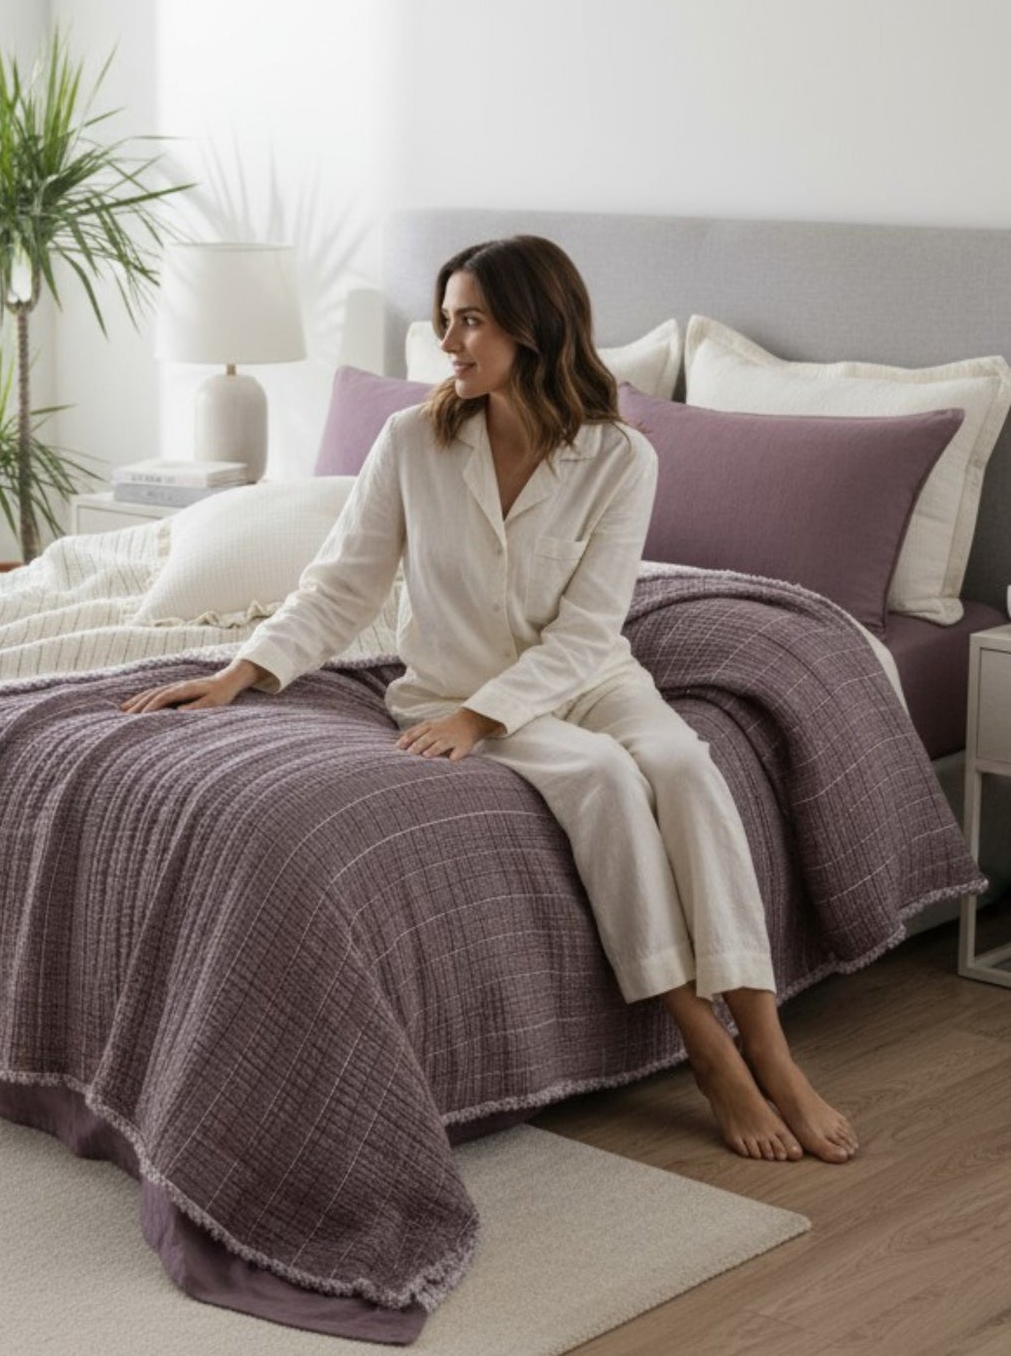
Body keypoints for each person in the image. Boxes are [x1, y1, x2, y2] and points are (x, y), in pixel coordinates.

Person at [121, 235, 858, 1165]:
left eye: (468, 320)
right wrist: (244, 672)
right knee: (598, 780)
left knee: (679, 760)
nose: (447, 342)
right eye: (444, 321)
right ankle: (704, 1045)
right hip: (449, 688)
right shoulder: (412, 441)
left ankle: (771, 1049)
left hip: (588, 678)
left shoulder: (619, 457)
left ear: (531, 326)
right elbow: (342, 583)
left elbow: (591, 628)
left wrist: (488, 718)